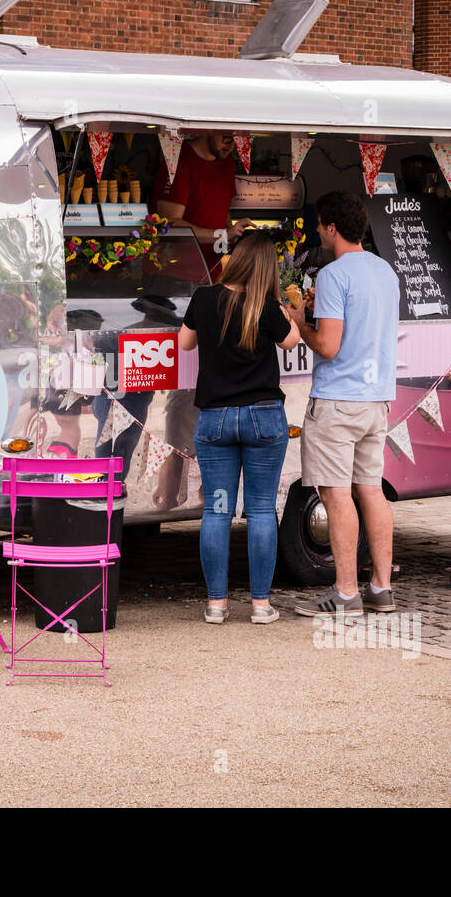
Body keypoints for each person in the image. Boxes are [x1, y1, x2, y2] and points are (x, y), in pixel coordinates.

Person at [284, 190, 400, 618]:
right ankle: (381, 589)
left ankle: (346, 593)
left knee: (336, 497)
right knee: (371, 492)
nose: (317, 231)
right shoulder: (386, 271)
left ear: (332, 228)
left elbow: (329, 347)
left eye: (319, 225)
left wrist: (300, 321)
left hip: (337, 400)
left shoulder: (333, 275)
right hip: (376, 399)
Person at [178, 233, 301, 624]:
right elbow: (292, 341)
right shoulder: (266, 306)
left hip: (215, 420)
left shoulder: (204, 298)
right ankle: (261, 606)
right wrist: (285, 308)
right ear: (266, 268)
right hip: (263, 418)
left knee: (217, 511)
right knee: (262, 509)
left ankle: (216, 604)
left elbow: (184, 344)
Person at [153, 130, 253, 280]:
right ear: (207, 129)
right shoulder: (179, 161)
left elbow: (221, 209)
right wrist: (223, 235)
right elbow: (169, 225)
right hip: (174, 276)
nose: (231, 144)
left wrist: (234, 236)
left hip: (213, 273)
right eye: (227, 136)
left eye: (237, 138)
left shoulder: (227, 162)